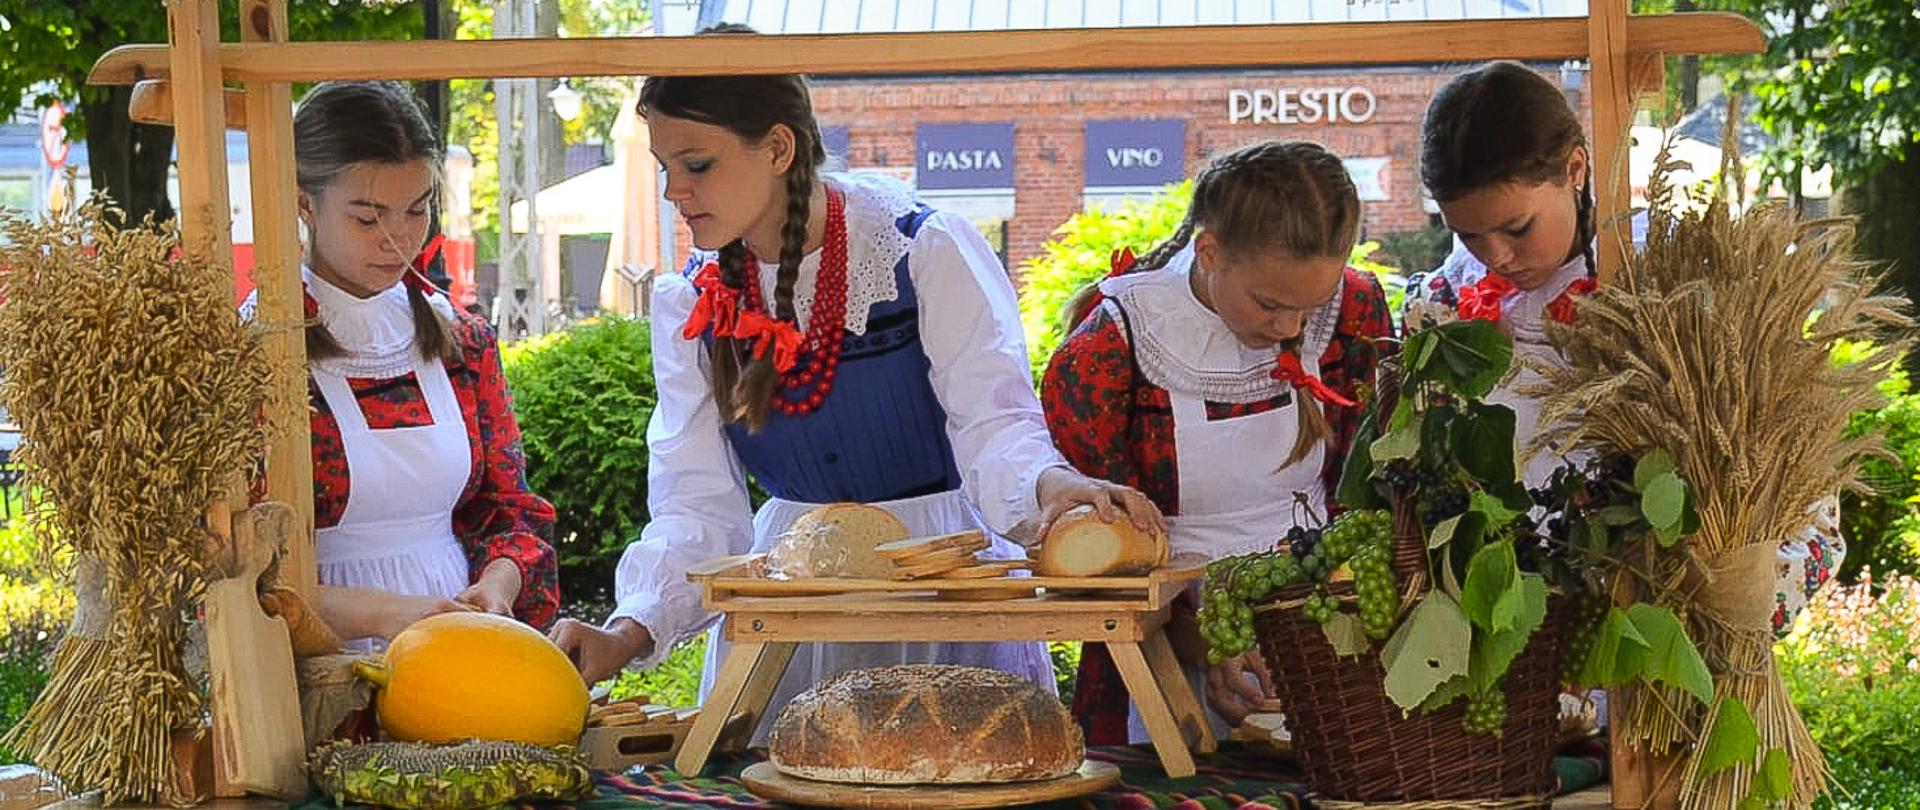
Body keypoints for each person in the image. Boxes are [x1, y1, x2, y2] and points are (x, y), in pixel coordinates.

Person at [547, 28, 1163, 740]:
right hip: (790, 617)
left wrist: (1049, 486)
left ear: (778, 148)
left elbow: (995, 424)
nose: (673, 191)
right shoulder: (692, 301)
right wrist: (628, 630)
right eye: (664, 167)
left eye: (696, 164)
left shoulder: (923, 249)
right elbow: (696, 505)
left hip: (945, 593)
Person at [1403, 60, 1842, 635]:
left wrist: (1736, 600)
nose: (1496, 257)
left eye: (1517, 228)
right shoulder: (1438, 312)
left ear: (1575, 168)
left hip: (1666, 632)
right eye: (1467, 235)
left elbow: (1793, 477)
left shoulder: (1684, 285)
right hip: (1510, 644)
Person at [1042, 140, 1395, 743]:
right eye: (1269, 304)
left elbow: (1366, 493)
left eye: (1308, 308)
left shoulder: (1354, 310)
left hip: (1325, 632)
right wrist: (1205, 643)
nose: (1289, 328)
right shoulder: (1109, 352)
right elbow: (1105, 551)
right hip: (1165, 654)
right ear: (1209, 251)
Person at [274, 80, 559, 651]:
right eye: (367, 217)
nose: (398, 238)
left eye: (417, 209)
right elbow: (235, 567)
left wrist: (496, 587)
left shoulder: (463, 342)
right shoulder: (256, 353)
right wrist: (384, 613)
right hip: (311, 656)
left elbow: (510, 511)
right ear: (304, 204)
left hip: (458, 644)